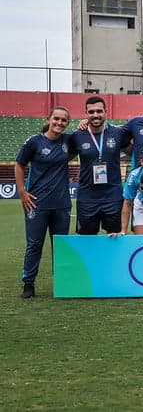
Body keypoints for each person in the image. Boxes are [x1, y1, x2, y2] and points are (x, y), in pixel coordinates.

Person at [16, 106, 73, 298]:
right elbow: (19, 164)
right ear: (48, 119)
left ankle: (63, 282)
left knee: (61, 245)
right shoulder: (34, 142)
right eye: (56, 119)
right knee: (34, 244)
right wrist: (22, 191)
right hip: (37, 203)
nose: (59, 123)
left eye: (63, 120)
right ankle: (28, 283)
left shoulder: (67, 141)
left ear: (67, 123)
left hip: (62, 204)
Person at [69, 96, 131, 235]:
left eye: (99, 111)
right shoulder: (77, 136)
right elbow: (62, 159)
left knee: (115, 238)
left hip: (113, 196)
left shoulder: (118, 133)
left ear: (105, 112)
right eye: (91, 112)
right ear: (86, 113)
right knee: (87, 240)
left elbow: (134, 152)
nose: (95, 115)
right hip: (87, 197)